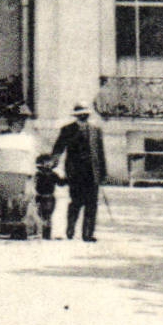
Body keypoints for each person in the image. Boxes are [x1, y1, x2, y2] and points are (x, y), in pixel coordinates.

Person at [51, 103, 107, 242]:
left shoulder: (96, 130)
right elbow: (58, 148)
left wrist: (103, 173)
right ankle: (70, 229)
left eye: (85, 114)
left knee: (92, 204)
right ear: (76, 115)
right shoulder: (67, 130)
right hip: (75, 173)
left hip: (92, 173)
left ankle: (88, 234)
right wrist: (52, 163)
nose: (83, 116)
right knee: (76, 202)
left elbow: (100, 153)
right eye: (80, 114)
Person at [34, 156, 62, 240]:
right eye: (47, 162)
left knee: (46, 215)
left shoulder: (41, 174)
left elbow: (60, 182)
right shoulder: (44, 174)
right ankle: (45, 233)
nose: (48, 164)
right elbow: (60, 183)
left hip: (45, 197)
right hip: (44, 197)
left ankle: (45, 233)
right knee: (45, 215)